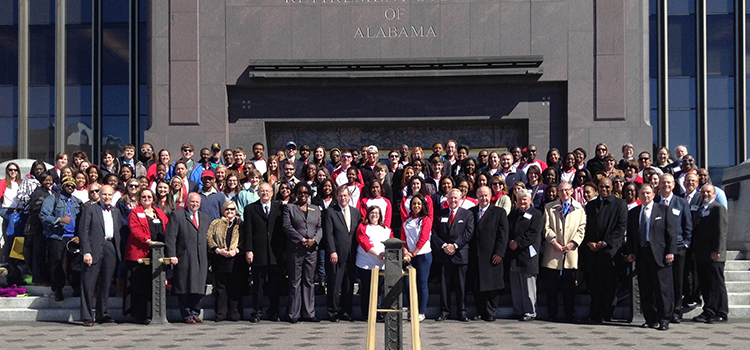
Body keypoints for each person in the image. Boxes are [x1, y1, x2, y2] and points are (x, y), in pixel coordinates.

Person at [626, 184, 676, 331]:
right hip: (642, 254)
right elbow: (631, 235)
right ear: (639, 196)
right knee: (645, 288)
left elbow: (671, 233)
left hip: (660, 255)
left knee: (662, 289)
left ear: (654, 195)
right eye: (643, 193)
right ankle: (650, 318)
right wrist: (631, 251)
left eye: (648, 193)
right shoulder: (634, 213)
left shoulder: (664, 210)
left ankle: (664, 319)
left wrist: (670, 251)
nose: (645, 196)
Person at [581, 178, 627, 323]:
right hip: (593, 251)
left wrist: (605, 243)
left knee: (609, 285)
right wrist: (589, 242)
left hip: (610, 252)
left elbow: (621, 227)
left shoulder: (620, 204)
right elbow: (586, 226)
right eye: (601, 187)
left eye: (607, 187)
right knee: (594, 284)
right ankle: (594, 314)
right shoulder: (591, 205)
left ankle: (607, 313)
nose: (604, 189)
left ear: (612, 187)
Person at [541, 182, 586, 321]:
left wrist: (573, 243)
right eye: (561, 190)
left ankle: (569, 314)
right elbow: (546, 227)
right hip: (553, 251)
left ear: (572, 191)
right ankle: (552, 314)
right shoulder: (549, 207)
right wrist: (553, 241)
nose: (564, 193)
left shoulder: (579, 208)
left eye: (567, 190)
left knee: (569, 287)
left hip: (570, 252)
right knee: (552, 287)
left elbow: (581, 228)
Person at [79, 185, 122, 326]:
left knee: (105, 284)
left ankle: (101, 314)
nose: (107, 197)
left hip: (110, 248)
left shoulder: (115, 211)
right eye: (105, 195)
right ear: (99, 195)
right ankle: (87, 316)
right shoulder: (90, 209)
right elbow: (83, 231)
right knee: (89, 283)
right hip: (94, 248)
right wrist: (86, 251)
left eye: (110, 195)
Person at [124, 189, 168, 324]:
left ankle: (152, 313)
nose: (146, 198)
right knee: (139, 285)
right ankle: (140, 315)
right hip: (140, 254)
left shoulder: (159, 212)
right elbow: (135, 230)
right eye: (143, 197)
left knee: (152, 284)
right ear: (139, 198)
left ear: (153, 198)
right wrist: (148, 241)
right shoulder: (135, 213)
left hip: (157, 254)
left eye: (149, 196)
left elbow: (167, 226)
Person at [244, 182, 286, 322]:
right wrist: (249, 250)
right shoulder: (250, 209)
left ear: (272, 193)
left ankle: (273, 312)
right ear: (258, 193)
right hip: (259, 252)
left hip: (275, 253)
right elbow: (248, 232)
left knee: (275, 285)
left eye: (267, 191)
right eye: (262, 191)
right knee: (258, 285)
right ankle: (257, 312)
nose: (265, 193)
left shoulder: (279, 207)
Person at [165, 193, 209, 324]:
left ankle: (195, 312)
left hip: (201, 257)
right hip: (184, 256)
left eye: (197, 202)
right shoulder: (177, 216)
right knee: (184, 285)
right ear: (187, 202)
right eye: (192, 202)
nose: (194, 204)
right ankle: (186, 314)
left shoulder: (205, 217)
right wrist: (172, 254)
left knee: (199, 286)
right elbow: (170, 237)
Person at [432, 188, 475, 322]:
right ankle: (444, 311)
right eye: (451, 198)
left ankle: (461, 311)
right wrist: (444, 246)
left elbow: (468, 233)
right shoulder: (440, 214)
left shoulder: (467, 214)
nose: (453, 200)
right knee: (444, 285)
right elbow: (434, 233)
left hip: (460, 254)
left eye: (456, 198)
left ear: (460, 199)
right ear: (447, 199)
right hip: (444, 254)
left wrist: (455, 246)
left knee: (460, 285)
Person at [655, 173, 692, 323]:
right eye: (663, 183)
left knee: (677, 281)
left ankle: (676, 311)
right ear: (659, 185)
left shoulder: (681, 203)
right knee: (663, 282)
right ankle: (663, 310)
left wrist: (686, 244)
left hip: (678, 248)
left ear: (674, 185)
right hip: (659, 248)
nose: (666, 185)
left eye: (669, 183)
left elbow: (687, 225)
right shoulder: (655, 201)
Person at [283, 182, 323, 323]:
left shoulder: (316, 209)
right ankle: (294, 313)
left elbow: (319, 227)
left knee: (309, 281)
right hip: (296, 250)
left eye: (306, 193)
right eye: (301, 192)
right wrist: (301, 239)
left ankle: (309, 313)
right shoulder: (290, 208)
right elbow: (287, 227)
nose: (303, 195)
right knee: (295, 282)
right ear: (296, 194)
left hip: (311, 250)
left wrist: (314, 240)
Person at [40, 176, 83, 301]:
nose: (70, 188)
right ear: (62, 186)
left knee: (75, 264)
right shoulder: (53, 199)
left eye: (72, 186)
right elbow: (43, 216)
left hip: (72, 237)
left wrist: (79, 235)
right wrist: (59, 220)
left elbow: (81, 221)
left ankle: (77, 288)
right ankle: (58, 289)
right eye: (67, 185)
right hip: (57, 236)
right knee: (57, 263)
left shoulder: (77, 202)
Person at [691, 184, 729, 324]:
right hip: (702, 254)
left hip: (714, 255)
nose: (705, 194)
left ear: (714, 193)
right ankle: (709, 310)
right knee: (706, 284)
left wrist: (717, 250)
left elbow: (721, 231)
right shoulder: (702, 209)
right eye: (703, 192)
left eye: (708, 191)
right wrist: (695, 251)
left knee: (716, 284)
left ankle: (721, 312)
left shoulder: (718, 208)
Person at [469, 186, 508, 322]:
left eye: (486, 195)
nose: (483, 198)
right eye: (480, 195)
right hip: (476, 255)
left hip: (492, 255)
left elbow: (503, 235)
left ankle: (491, 312)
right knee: (477, 286)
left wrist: (499, 253)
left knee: (492, 286)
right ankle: (480, 311)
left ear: (490, 196)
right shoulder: (471, 212)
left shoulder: (499, 212)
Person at [324, 186, 361, 322]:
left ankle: (346, 311)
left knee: (348, 284)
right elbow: (328, 234)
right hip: (336, 254)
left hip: (351, 254)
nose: (343, 198)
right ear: (337, 197)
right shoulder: (330, 212)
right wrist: (332, 251)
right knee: (334, 284)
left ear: (349, 196)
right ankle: (333, 312)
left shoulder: (355, 212)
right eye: (340, 196)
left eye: (345, 195)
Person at [506, 188, 543, 321]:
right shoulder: (513, 214)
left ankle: (530, 311)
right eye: (519, 199)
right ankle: (518, 310)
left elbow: (533, 233)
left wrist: (518, 242)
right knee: (516, 285)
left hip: (528, 254)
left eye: (525, 200)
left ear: (530, 200)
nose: (522, 202)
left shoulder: (536, 214)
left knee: (528, 284)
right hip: (514, 254)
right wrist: (510, 242)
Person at [207, 200, 243, 322]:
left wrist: (236, 250)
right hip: (220, 259)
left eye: (232, 209)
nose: (229, 211)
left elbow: (244, 240)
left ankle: (234, 313)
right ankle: (221, 314)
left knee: (235, 288)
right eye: (227, 209)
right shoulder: (215, 223)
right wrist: (218, 250)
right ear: (223, 210)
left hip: (236, 260)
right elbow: (209, 238)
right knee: (220, 289)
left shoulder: (240, 224)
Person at [355, 205, 393, 321]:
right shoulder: (363, 227)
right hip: (366, 264)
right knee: (367, 289)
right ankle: (366, 313)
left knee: (380, 289)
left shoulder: (386, 229)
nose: (374, 215)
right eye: (372, 213)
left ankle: (379, 312)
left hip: (381, 264)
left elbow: (391, 242)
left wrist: (386, 255)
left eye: (377, 213)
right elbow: (364, 242)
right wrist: (378, 254)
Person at [401, 194, 433, 322]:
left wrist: (413, 253)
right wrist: (405, 251)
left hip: (423, 255)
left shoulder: (426, 219)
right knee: (408, 284)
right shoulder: (406, 221)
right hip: (410, 257)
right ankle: (411, 309)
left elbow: (423, 238)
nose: (416, 206)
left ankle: (421, 312)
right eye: (414, 204)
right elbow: (403, 239)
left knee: (422, 284)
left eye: (419, 204)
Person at [27, 171, 54, 285]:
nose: (48, 182)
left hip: (46, 227)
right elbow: (35, 208)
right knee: (38, 254)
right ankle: (38, 279)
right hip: (38, 227)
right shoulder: (38, 193)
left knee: (44, 254)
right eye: (46, 180)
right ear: (41, 181)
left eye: (50, 180)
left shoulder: (50, 191)